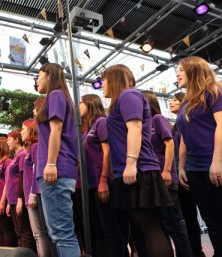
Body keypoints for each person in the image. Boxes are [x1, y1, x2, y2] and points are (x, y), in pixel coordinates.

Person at [103, 64, 173, 257]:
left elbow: (135, 128)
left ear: (114, 79)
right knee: (140, 230)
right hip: (130, 169)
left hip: (139, 168)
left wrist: (131, 163)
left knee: (149, 227)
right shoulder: (123, 99)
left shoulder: (128, 95)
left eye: (104, 80)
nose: (102, 85)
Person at [176, 56, 222, 257]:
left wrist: (217, 161)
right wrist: (181, 167)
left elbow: (221, 126)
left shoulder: (214, 91)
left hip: (213, 164)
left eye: (180, 69)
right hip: (195, 169)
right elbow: (184, 137)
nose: (177, 74)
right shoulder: (187, 101)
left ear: (193, 70)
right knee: (210, 220)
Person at [35, 63, 80, 257]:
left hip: (57, 169)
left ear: (49, 76)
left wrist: (51, 163)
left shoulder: (55, 96)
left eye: (39, 75)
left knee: (62, 234)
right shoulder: (59, 97)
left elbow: (56, 130)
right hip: (58, 169)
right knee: (59, 233)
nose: (37, 80)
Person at [143, 91, 193, 257]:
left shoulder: (158, 119)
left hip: (165, 178)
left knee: (174, 223)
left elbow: (170, 144)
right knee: (161, 224)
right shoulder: (142, 124)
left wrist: (166, 171)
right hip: (152, 180)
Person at [79, 94, 126, 257]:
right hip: (89, 185)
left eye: (80, 103)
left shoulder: (101, 123)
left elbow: (108, 152)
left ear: (90, 104)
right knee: (97, 228)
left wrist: (104, 180)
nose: (78, 107)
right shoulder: (85, 130)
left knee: (109, 228)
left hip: (103, 182)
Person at [170, 92, 206, 257]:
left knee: (197, 214)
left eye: (175, 100)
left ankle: (197, 250)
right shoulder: (174, 126)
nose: (171, 102)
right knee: (187, 215)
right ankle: (194, 250)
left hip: (191, 169)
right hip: (180, 171)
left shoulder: (187, 120)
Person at [21, 119, 56, 257]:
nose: (22, 132)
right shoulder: (32, 148)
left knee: (41, 234)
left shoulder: (36, 147)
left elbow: (36, 170)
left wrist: (32, 194)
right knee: (40, 234)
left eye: (24, 129)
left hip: (36, 193)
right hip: (33, 193)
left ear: (32, 130)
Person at [6, 129, 36, 251]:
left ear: (16, 140)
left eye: (9, 139)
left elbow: (23, 177)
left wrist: (20, 199)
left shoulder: (22, 154)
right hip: (12, 199)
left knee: (24, 232)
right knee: (18, 232)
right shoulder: (16, 156)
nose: (7, 142)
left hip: (20, 199)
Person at [0, 137, 17, 247]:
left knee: (6, 231)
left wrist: (3, 202)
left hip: (2, 200)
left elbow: (8, 182)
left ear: (1, 146)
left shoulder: (8, 162)